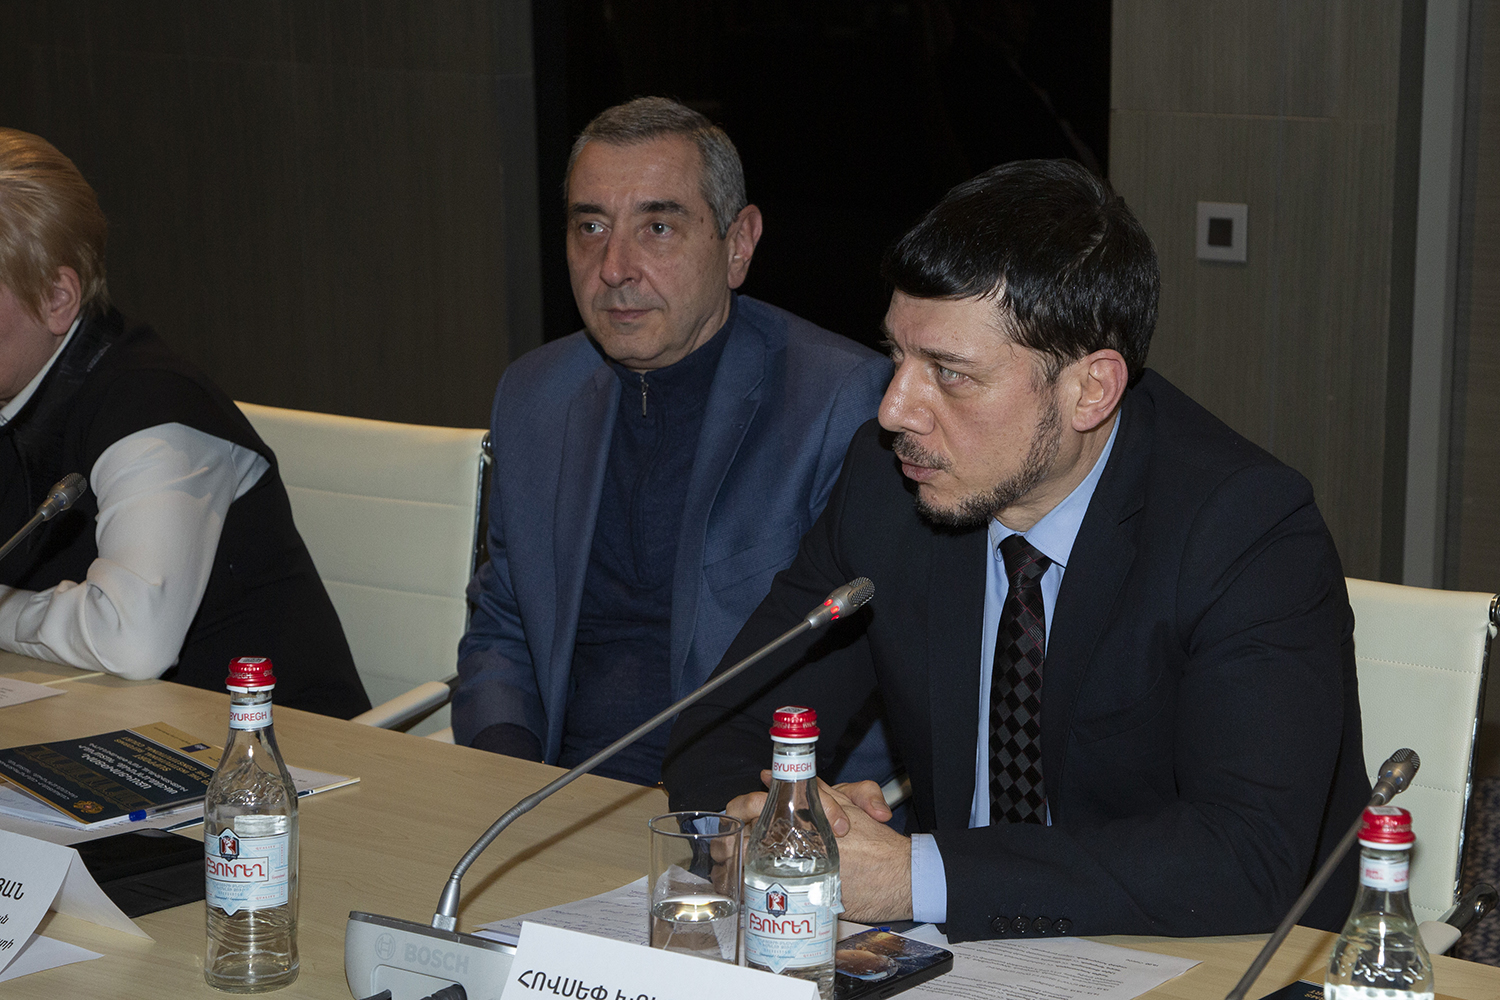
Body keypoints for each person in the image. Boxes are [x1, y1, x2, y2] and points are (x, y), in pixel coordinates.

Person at [663, 159, 1370, 940]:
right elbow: (719, 729)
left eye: (950, 374)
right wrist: (774, 818)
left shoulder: (1246, 529)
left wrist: (913, 877)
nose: (895, 410)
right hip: (959, 958)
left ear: (1090, 390)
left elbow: (1246, 858)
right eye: (898, 356)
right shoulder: (889, 487)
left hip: (1200, 959)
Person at [452, 97, 893, 787]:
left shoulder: (836, 400)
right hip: (553, 795)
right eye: (591, 226)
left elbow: (854, 667)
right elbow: (503, 625)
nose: (614, 267)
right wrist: (507, 775)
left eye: (657, 227)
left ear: (738, 244)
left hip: (741, 801)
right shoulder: (534, 395)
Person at [0, 127, 369, 718]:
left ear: (56, 298)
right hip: (101, 724)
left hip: (272, 750)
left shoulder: (154, 413)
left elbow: (132, 639)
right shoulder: (17, 382)